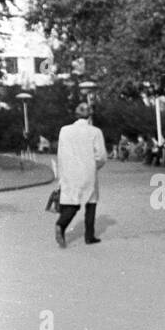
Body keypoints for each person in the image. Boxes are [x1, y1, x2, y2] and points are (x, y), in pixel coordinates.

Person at [54, 103, 108, 248]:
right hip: (88, 172)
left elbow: (60, 154)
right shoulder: (95, 132)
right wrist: (94, 166)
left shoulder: (64, 130)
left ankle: (61, 224)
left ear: (76, 115)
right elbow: (101, 156)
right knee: (91, 202)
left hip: (69, 172)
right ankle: (89, 236)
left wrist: (62, 172)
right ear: (89, 115)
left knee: (72, 202)